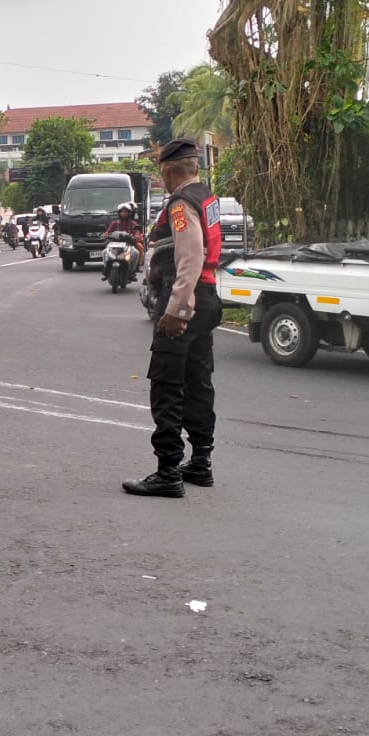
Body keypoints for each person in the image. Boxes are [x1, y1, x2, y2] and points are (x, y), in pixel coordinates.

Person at [124, 137, 223, 498]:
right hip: (207, 296)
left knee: (167, 383)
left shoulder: (181, 203)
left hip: (185, 297)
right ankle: (200, 462)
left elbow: (191, 255)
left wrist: (178, 308)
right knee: (198, 382)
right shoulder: (206, 196)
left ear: (167, 171)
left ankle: (168, 472)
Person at [105, 200, 145, 264]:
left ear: (129, 213)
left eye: (125, 212)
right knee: (105, 251)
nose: (124, 213)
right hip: (115, 244)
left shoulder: (133, 223)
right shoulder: (114, 223)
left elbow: (137, 233)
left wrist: (136, 236)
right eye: (122, 212)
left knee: (139, 248)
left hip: (129, 243)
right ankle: (106, 265)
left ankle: (137, 265)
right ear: (119, 213)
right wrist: (105, 235)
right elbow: (107, 232)